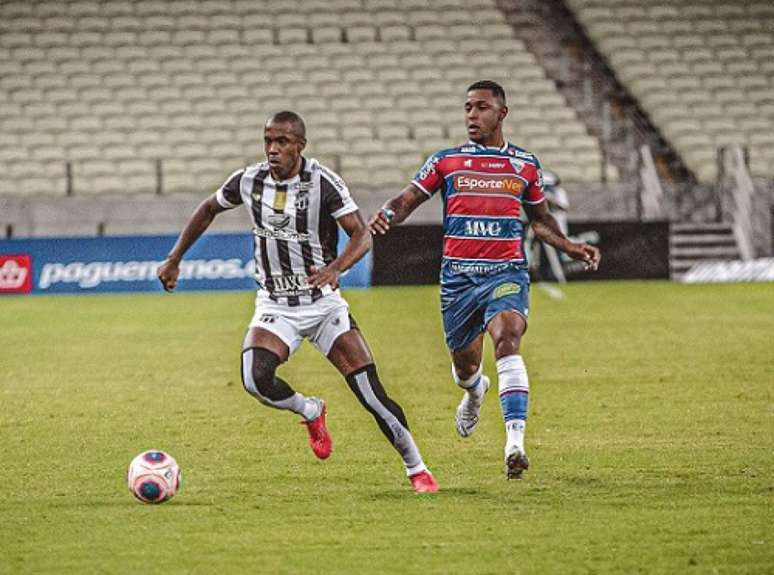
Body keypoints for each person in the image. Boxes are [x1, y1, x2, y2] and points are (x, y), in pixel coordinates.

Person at [158, 111, 439, 493]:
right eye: (268, 141)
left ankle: (417, 468)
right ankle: (310, 410)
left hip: (323, 305)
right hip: (275, 305)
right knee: (254, 380)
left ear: (300, 146)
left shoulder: (323, 183)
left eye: (282, 142)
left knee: (370, 394)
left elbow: (361, 234)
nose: (273, 149)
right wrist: (175, 258)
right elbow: (208, 209)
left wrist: (337, 267)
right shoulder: (248, 180)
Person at [369, 81, 600, 479]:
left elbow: (540, 222)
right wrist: (386, 215)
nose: (472, 116)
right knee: (465, 368)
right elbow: (407, 200)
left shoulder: (525, 165)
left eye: (481, 108)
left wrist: (570, 247)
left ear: (502, 113)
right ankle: (475, 392)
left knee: (508, 340)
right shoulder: (446, 161)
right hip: (458, 281)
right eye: (467, 108)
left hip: (506, 272)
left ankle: (515, 444)